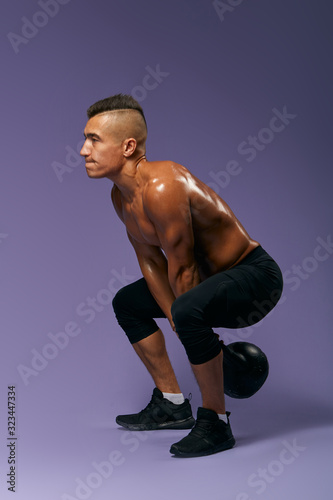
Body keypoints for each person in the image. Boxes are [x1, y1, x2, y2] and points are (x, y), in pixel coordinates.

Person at [80, 94, 283, 458]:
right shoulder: (120, 196)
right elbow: (150, 261)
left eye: (94, 139)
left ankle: (216, 422)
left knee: (188, 309)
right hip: (206, 281)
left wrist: (185, 320)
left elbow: (184, 267)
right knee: (128, 303)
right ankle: (172, 404)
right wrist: (180, 318)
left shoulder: (163, 184)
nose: (83, 150)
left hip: (253, 277)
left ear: (128, 146)